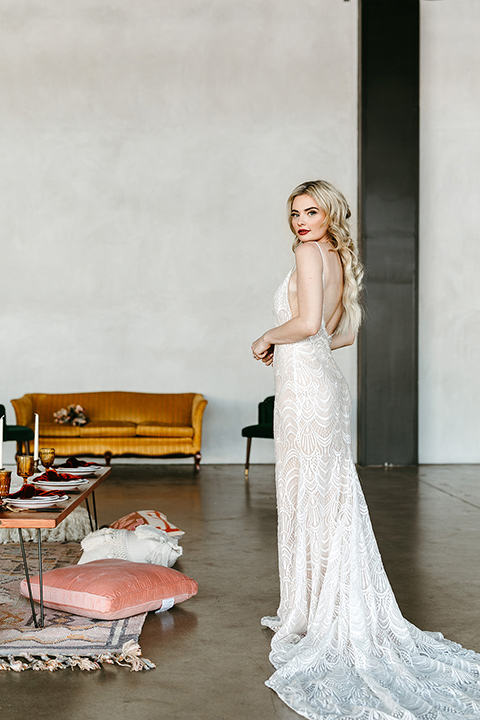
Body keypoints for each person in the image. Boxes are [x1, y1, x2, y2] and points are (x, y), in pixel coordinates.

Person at [251, 180, 480, 720]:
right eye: (294, 214)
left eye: (311, 212)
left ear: (330, 215)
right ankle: (318, 604)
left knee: (309, 495)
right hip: (321, 383)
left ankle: (311, 609)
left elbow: (306, 324)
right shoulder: (336, 257)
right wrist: (298, 350)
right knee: (327, 497)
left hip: (306, 394)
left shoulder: (311, 253)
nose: (301, 222)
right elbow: (341, 334)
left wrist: (266, 338)